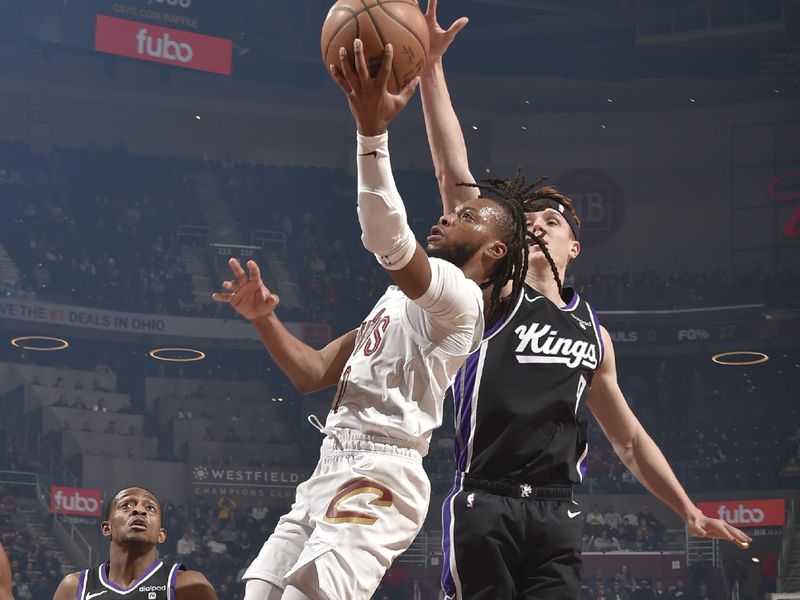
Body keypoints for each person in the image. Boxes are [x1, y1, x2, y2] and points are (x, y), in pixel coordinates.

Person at [415, 1, 753, 598]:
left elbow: (627, 440)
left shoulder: (593, 330)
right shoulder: (494, 293)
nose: (539, 225)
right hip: (484, 499)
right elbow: (454, 179)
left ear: (577, 243)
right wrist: (431, 71)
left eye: (552, 219)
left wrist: (687, 510)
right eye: (530, 220)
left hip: (557, 513)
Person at [213, 39, 529, 600]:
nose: (449, 215)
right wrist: (263, 318)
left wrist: (371, 131)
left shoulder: (459, 296)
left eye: (466, 215)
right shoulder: (404, 300)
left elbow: (384, 235)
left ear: (495, 250)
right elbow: (311, 373)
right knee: (259, 592)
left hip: (381, 470)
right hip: (332, 463)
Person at [53, 486, 216, 600]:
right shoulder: (74, 588)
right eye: (127, 505)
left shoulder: (188, 584)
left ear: (161, 535)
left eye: (150, 508)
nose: (139, 510)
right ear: (106, 528)